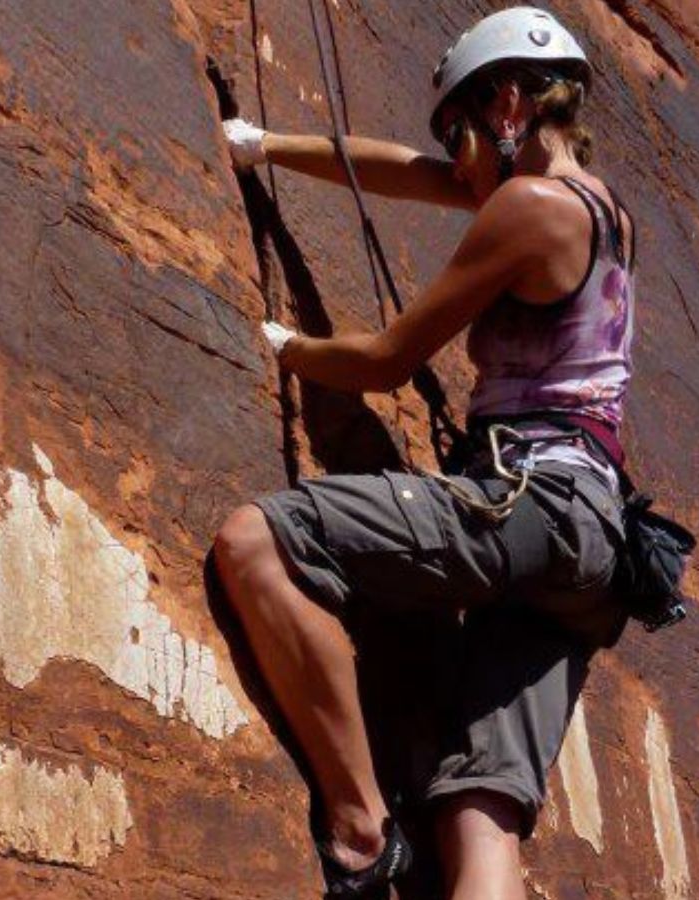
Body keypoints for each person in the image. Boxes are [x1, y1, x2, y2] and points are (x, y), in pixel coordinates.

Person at [210, 7, 637, 900]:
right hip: (592, 551)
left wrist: (284, 347)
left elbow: (387, 361)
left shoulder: (529, 206)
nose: (454, 157)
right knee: (478, 815)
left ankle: (362, 835)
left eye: (460, 130)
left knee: (260, 543)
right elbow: (403, 174)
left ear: (508, 103)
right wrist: (264, 146)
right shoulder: (599, 208)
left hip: (535, 502)